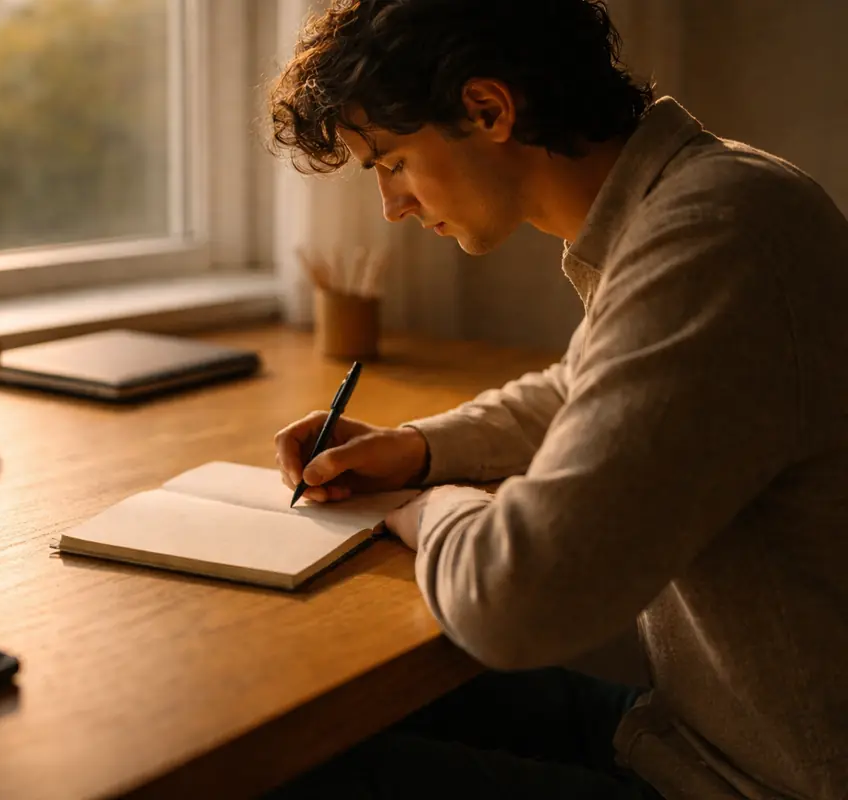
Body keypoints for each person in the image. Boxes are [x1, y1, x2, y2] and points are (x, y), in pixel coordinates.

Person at [266, 1, 848, 798]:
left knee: (290, 774)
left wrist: (418, 506)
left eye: (392, 162)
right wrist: (420, 447)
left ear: (488, 109)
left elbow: (514, 604)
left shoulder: (716, 233)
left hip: (751, 781)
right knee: (334, 721)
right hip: (698, 731)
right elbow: (586, 386)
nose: (391, 206)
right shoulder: (700, 200)